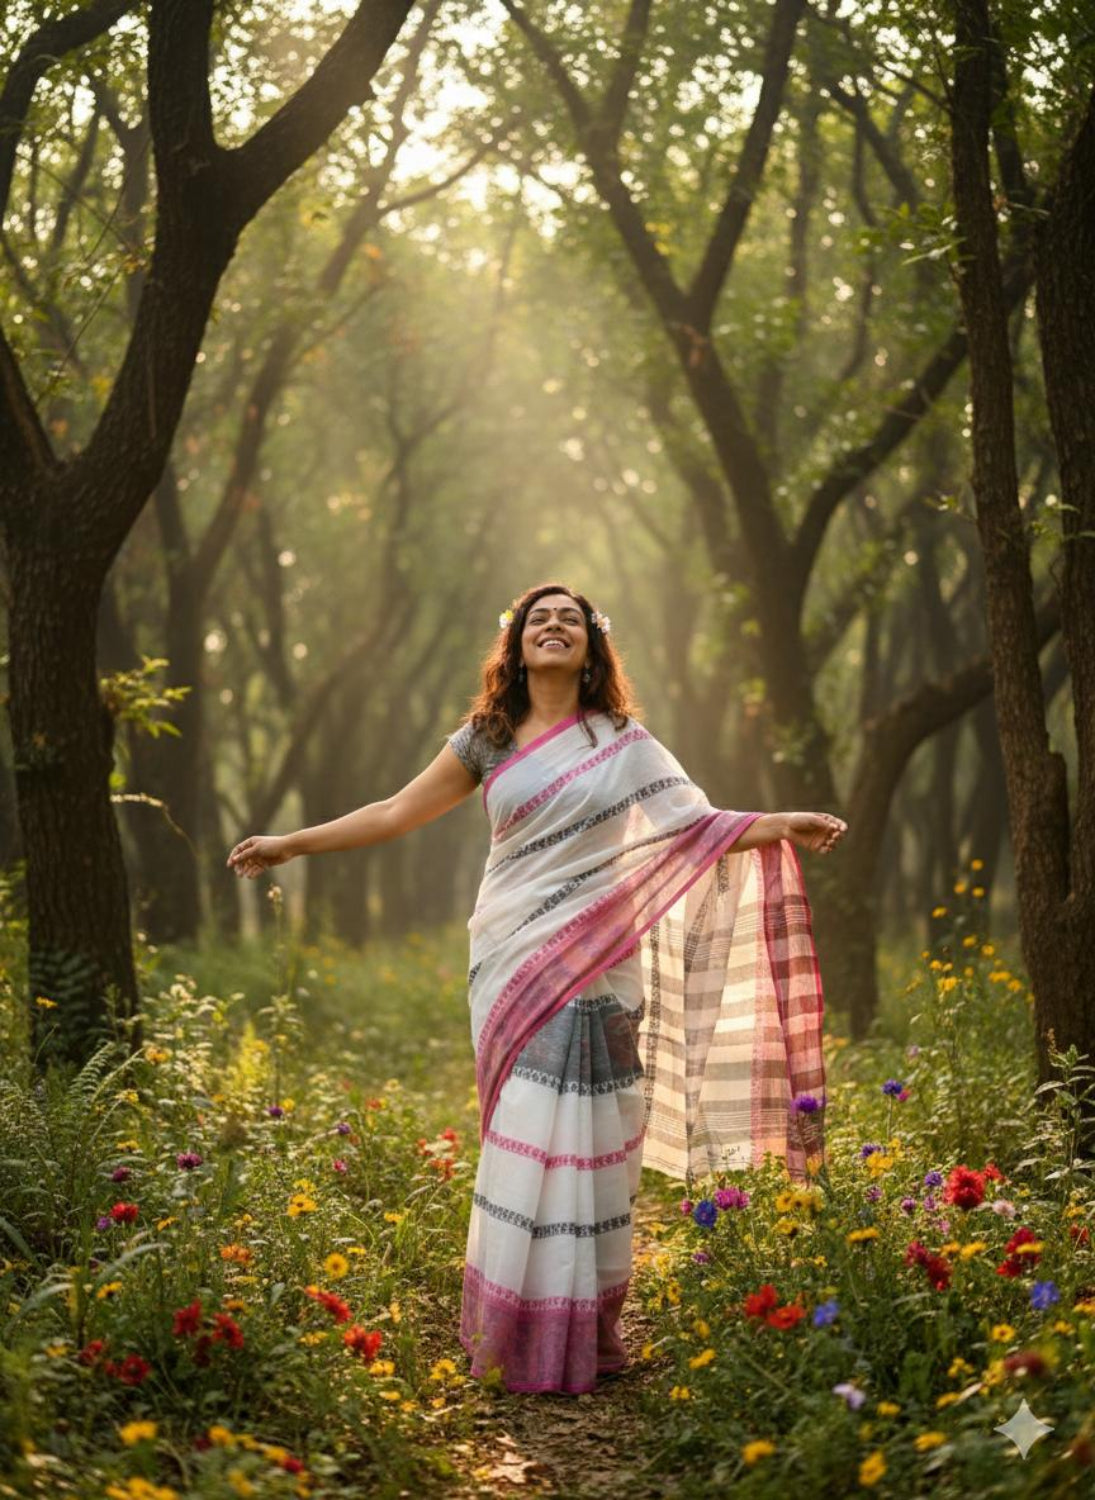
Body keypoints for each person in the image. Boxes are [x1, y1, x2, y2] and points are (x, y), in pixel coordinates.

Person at [227, 581, 847, 1396]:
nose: (553, 627)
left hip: (601, 961)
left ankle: (586, 1326)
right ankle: (515, 1331)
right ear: (515, 645)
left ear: (592, 648)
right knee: (526, 1129)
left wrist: (779, 824)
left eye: (570, 620)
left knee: (597, 1137)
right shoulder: (484, 740)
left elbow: (692, 825)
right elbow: (392, 811)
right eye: (537, 620)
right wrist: (289, 845)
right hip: (513, 960)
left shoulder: (623, 741)